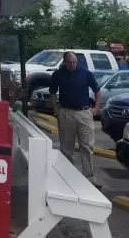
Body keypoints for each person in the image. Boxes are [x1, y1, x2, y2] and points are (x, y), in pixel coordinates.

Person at [49, 51, 101, 187]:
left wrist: (96, 108)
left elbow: (97, 90)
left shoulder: (86, 73)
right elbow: (52, 92)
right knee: (67, 148)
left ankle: (89, 178)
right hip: (66, 112)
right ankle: (68, 177)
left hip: (84, 112)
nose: (72, 65)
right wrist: (56, 110)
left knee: (87, 146)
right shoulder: (58, 75)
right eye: (69, 62)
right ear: (64, 62)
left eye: (74, 62)